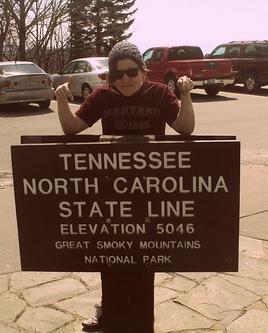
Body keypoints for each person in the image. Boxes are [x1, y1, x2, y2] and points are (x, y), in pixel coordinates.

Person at [55, 41, 195, 330]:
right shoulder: (101, 97)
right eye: (117, 74)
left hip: (151, 193)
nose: (125, 79)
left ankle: (140, 319)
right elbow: (72, 128)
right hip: (111, 194)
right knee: (112, 258)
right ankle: (109, 310)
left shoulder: (159, 94)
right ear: (110, 77)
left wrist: (186, 96)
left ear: (143, 71)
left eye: (132, 72)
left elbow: (185, 128)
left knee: (144, 259)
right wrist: (60, 99)